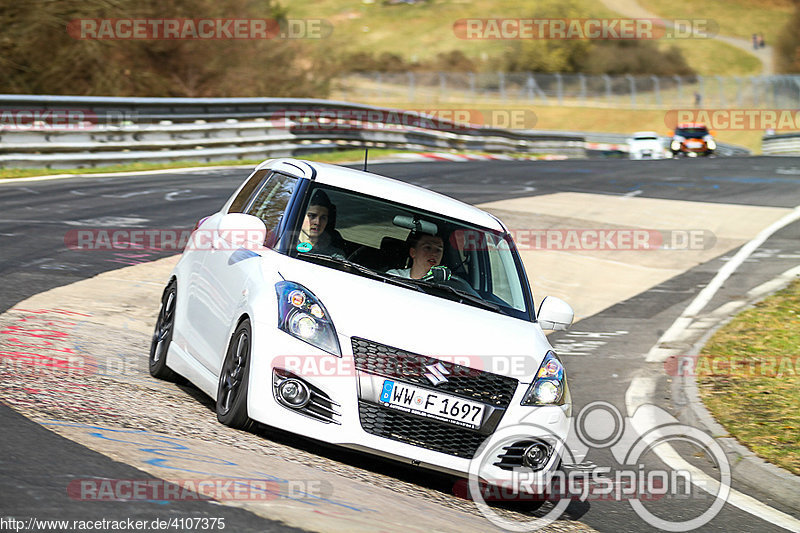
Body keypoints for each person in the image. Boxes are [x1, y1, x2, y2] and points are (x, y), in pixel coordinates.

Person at [297, 190, 345, 257]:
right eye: (312, 216)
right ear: (300, 216)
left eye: (323, 218)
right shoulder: (283, 243)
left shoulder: (335, 256)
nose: (317, 222)